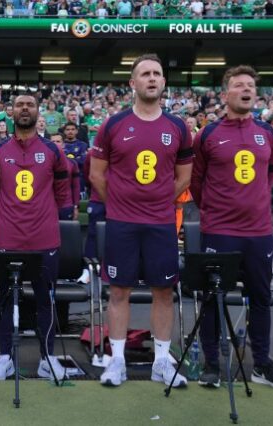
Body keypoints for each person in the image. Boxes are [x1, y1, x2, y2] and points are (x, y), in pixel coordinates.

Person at [190, 65, 273, 391]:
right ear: (226, 94)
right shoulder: (207, 134)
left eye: (251, 85)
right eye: (239, 85)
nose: (246, 89)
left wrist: (255, 203)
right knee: (212, 296)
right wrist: (218, 210)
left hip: (259, 231)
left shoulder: (268, 133)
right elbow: (197, 183)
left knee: (261, 298)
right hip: (219, 230)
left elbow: (270, 173)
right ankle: (211, 364)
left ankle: (262, 365)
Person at [89, 53, 192, 388]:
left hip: (161, 223)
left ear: (163, 82)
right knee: (119, 290)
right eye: (145, 73)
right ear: (132, 83)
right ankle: (116, 361)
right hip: (122, 223)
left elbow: (184, 176)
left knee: (164, 290)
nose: (151, 78)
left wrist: (160, 201)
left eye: (157, 74)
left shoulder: (177, 127)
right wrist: (120, 204)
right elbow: (97, 174)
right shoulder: (114, 124)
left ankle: (161, 362)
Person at [0, 94, 71, 381]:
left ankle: (47, 358)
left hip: (44, 238)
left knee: (46, 299)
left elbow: (61, 192)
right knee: (6, 299)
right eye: (19, 105)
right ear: (11, 112)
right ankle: (5, 357)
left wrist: (42, 215)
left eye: (30, 105)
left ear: (38, 111)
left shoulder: (52, 150)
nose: (24, 109)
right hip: (9, 237)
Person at [50, 133, 80, 221]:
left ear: (63, 144)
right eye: (53, 141)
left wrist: (75, 207)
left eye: (58, 141)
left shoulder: (72, 163)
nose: (55, 143)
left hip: (66, 206)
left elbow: (76, 187)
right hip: (48, 206)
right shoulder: (43, 164)